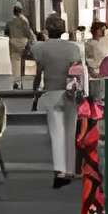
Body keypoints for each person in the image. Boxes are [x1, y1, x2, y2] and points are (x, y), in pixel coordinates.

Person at [30, 13, 85, 187]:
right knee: (70, 132)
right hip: (70, 93)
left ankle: (59, 170)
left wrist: (35, 91)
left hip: (51, 92)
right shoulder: (73, 48)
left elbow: (39, 73)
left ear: (47, 29)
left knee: (56, 133)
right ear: (62, 30)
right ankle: (70, 169)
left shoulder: (41, 48)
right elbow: (77, 72)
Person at [5, 3, 33, 84]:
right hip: (23, 41)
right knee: (25, 61)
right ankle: (26, 80)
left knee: (15, 61)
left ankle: (16, 81)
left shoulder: (10, 20)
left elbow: (6, 32)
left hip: (13, 41)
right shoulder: (24, 20)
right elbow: (27, 32)